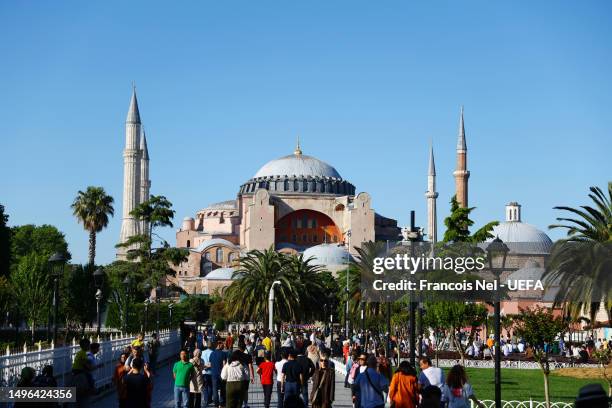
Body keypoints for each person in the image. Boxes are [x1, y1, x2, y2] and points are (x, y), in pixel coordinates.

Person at [210, 341, 228, 408]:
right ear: (219, 345)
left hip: (214, 374)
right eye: (222, 344)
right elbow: (224, 364)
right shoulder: (223, 354)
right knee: (223, 389)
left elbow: (210, 363)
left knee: (215, 390)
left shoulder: (212, 353)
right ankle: (222, 403)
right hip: (221, 374)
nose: (223, 345)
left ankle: (216, 404)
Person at [202, 341, 214, 407]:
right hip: (211, 372)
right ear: (211, 345)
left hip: (204, 371)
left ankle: (206, 400)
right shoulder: (213, 352)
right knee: (210, 386)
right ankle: (209, 399)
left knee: (205, 387)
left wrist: (204, 367)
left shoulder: (202, 352)